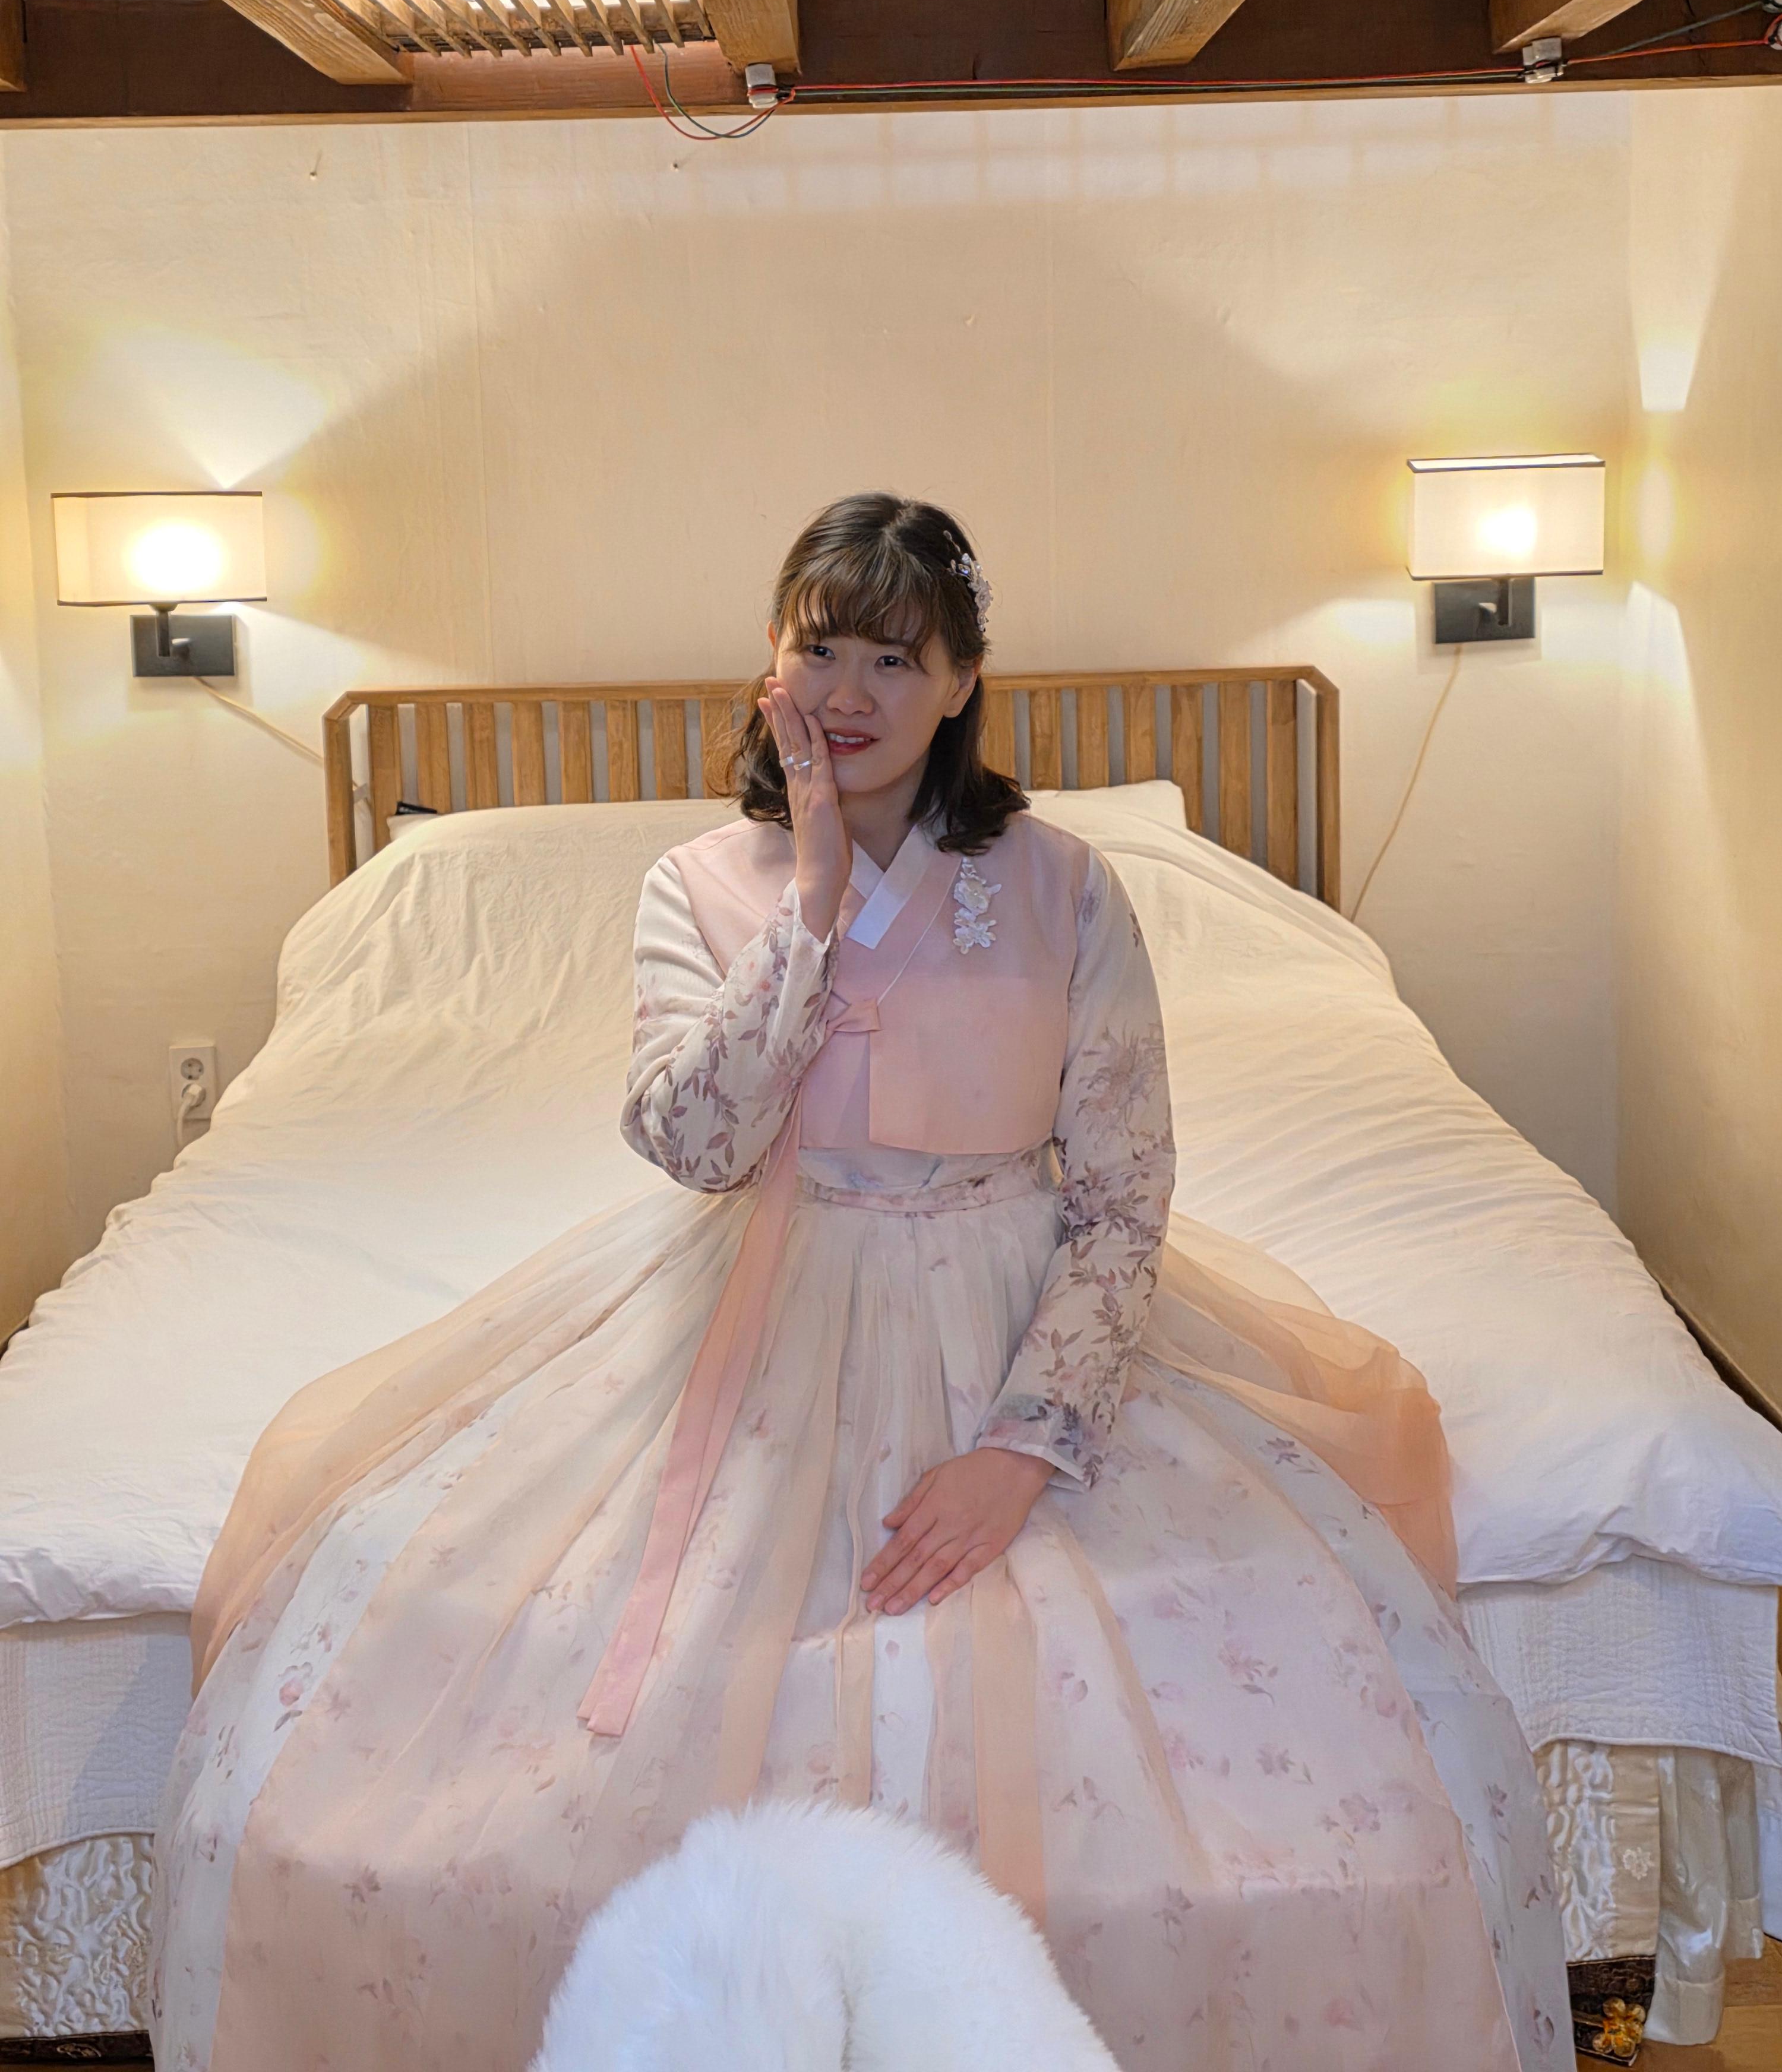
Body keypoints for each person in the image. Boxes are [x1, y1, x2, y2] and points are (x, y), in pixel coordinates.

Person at [151, 495, 1569, 2071]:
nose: (849, 692)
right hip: (762, 1296)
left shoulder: (1065, 887)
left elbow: (1123, 1198)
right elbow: (695, 1142)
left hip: (1014, 1300)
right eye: (821, 648)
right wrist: (813, 899)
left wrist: (1022, 1449)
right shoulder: (698, 883)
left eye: (894, 658)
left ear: (961, 682)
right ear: (772, 662)